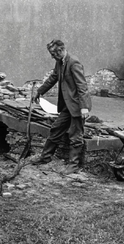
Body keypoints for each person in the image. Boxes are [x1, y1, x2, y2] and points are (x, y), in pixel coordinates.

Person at [31, 39, 92, 175]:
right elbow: (53, 78)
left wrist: (84, 107)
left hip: (77, 106)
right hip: (67, 106)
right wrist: (40, 91)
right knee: (56, 129)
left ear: (60, 51)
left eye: (53, 53)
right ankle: (45, 157)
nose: (52, 56)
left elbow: (82, 86)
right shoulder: (59, 62)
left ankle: (73, 165)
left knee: (75, 136)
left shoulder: (74, 62)